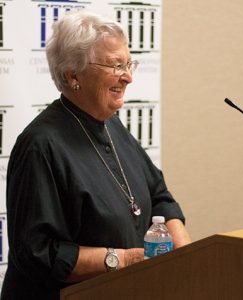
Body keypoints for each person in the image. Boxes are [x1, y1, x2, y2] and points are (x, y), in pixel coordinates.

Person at [1, 10, 191, 300]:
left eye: (129, 64)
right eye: (115, 66)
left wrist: (186, 256)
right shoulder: (39, 146)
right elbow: (38, 252)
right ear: (73, 75)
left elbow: (158, 195)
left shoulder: (112, 124)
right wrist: (124, 261)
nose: (128, 77)